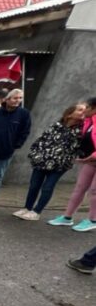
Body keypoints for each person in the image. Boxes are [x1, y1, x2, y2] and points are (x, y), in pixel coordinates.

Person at [14, 103, 85, 221]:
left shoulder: (81, 130)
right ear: (69, 114)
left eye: (84, 110)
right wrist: (35, 153)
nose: (83, 112)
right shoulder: (56, 125)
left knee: (48, 187)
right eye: (80, 110)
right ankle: (27, 208)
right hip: (42, 160)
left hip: (60, 164)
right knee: (34, 185)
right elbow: (42, 139)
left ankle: (37, 211)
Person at [48, 96, 96, 231]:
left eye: (87, 107)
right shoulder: (88, 121)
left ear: (94, 108)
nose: (84, 110)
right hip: (90, 161)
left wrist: (90, 157)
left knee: (94, 191)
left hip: (91, 159)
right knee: (80, 188)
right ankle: (67, 217)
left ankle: (93, 220)